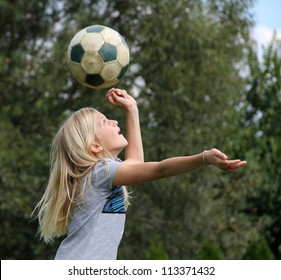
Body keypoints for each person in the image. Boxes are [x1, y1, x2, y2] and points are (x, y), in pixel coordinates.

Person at [33, 88, 247, 260]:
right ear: (95, 146)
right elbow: (160, 169)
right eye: (105, 121)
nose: (114, 121)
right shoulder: (100, 172)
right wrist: (203, 158)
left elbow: (135, 163)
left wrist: (132, 109)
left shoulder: (100, 174)